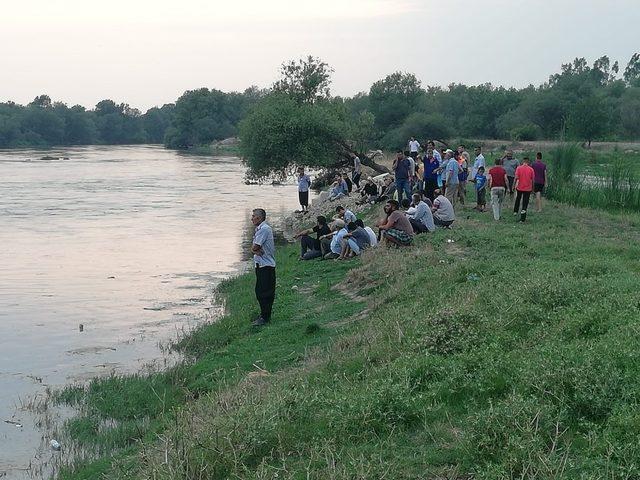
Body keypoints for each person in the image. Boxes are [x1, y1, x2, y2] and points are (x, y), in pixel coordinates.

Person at [251, 209, 275, 327]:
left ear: (259, 218)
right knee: (260, 291)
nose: (252, 218)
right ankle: (264, 315)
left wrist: (254, 249)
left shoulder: (264, 229)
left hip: (266, 265)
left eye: (254, 216)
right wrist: (254, 249)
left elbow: (256, 247)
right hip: (261, 265)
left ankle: (265, 317)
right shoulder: (259, 229)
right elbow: (253, 248)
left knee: (264, 292)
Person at [513, 157, 535, 222]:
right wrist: (533, 189)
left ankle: (515, 211)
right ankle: (523, 217)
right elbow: (533, 180)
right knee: (525, 202)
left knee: (518, 199)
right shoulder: (531, 169)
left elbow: (516, 178)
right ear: (528, 162)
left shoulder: (519, 168)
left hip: (520, 187)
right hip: (528, 188)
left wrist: (513, 186)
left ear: (523, 161)